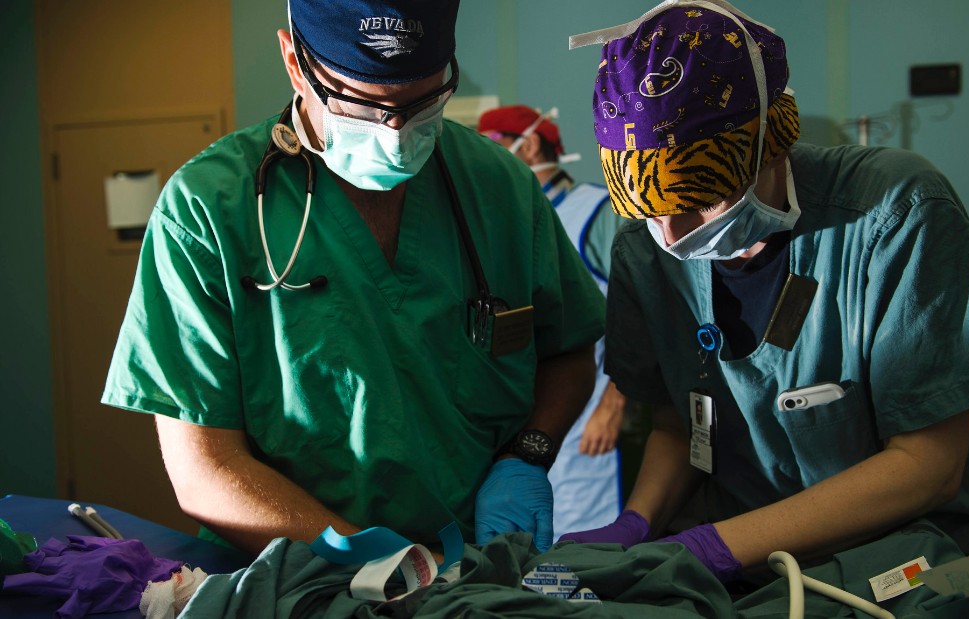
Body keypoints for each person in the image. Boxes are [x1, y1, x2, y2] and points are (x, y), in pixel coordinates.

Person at [561, 0, 969, 606]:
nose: (674, 237)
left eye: (704, 200)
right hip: (742, 574)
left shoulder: (895, 214)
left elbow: (929, 464)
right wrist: (638, 525)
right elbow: (683, 424)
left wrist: (712, 547)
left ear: (772, 142)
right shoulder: (644, 251)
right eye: (652, 211)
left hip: (904, 568)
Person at [101, 0, 606, 557]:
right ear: (295, 60)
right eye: (361, 105)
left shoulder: (499, 186)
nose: (394, 134)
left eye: (422, 103)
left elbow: (568, 352)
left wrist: (528, 453)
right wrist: (386, 561)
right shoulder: (209, 209)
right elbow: (206, 473)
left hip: (480, 566)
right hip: (299, 576)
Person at [478, 105, 627, 538]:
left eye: (492, 144)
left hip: (586, 417)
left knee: (580, 550)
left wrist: (613, 404)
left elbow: (642, 312)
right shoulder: (503, 222)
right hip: (515, 423)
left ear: (529, 144)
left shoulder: (596, 213)